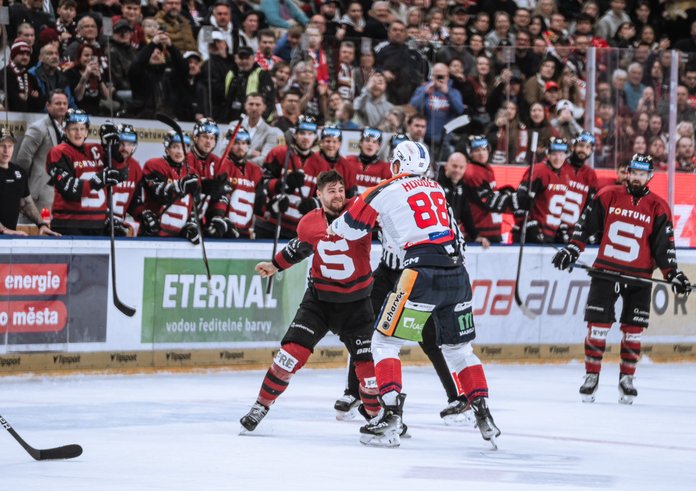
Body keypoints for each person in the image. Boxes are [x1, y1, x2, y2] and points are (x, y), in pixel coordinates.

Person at [329, 141, 500, 448]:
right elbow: (457, 236)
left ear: (396, 164)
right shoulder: (437, 188)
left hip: (420, 272)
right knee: (460, 350)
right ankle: (483, 413)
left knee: (383, 341)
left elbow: (348, 228)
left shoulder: (385, 189)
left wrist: (331, 222)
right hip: (458, 272)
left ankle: (391, 415)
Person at [240, 170, 379, 432]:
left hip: (357, 304)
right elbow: (301, 247)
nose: (337, 195)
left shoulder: (360, 210)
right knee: (287, 358)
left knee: (369, 376)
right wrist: (275, 265)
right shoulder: (308, 222)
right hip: (319, 302)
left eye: (340, 190)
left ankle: (377, 418)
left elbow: (384, 201)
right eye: (331, 191)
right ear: (319, 195)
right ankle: (260, 406)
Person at [553, 154, 691, 404]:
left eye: (642, 173)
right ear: (627, 172)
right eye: (633, 172)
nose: (637, 177)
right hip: (606, 271)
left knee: (634, 330)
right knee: (598, 326)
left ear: (650, 176)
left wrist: (673, 274)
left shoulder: (659, 207)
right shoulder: (608, 195)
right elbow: (585, 227)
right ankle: (591, 376)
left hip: (639, 277)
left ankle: (627, 378)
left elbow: (664, 248)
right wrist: (572, 248)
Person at [46, 109, 125, 236]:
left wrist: (114, 149)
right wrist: (97, 181)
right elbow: (69, 189)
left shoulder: (96, 149)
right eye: (73, 129)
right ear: (65, 130)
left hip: (99, 225)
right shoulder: (58, 152)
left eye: (82, 129)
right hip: (68, 224)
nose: (78, 133)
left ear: (87, 131)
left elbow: (121, 174)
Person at [254, 115, 317, 240]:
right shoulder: (278, 153)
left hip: (299, 230)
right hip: (270, 224)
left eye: (310, 133)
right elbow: (262, 184)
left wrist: (314, 203)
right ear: (295, 134)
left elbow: (323, 196)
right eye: (302, 133)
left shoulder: (320, 163)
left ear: (315, 137)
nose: (306, 137)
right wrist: (282, 184)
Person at [15, 89, 69, 220]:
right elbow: (23, 160)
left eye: (64, 103)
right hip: (40, 189)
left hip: (62, 191)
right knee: (35, 231)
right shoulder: (38, 128)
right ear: (48, 105)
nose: (62, 106)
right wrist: (26, 189)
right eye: (57, 103)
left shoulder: (69, 128)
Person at [142, 131, 202, 243]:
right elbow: (159, 194)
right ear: (167, 148)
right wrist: (179, 186)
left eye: (183, 147)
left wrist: (191, 224)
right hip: (154, 234)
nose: (179, 152)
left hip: (179, 238)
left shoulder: (192, 172)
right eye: (175, 147)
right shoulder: (154, 165)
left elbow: (195, 204)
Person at [461, 135, 523, 243]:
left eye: (484, 149)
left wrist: (503, 192)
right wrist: (513, 201)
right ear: (470, 152)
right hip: (481, 231)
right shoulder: (472, 172)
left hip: (492, 228)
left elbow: (490, 194)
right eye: (477, 150)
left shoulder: (487, 168)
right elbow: (486, 201)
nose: (481, 153)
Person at [101, 123, 158, 236]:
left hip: (118, 227)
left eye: (129, 144)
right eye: (121, 143)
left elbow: (135, 204)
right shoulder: (102, 161)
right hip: (99, 224)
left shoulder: (135, 167)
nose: (125, 148)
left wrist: (144, 214)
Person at [0, 128, 59, 237]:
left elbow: (26, 203)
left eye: (10, 145)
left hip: (9, 239)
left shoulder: (18, 172)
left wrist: (41, 224)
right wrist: (4, 230)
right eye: (2, 145)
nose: (6, 150)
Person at [514, 136, 568, 244]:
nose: (558, 158)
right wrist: (528, 224)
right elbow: (520, 199)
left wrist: (561, 227)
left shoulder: (564, 175)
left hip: (550, 236)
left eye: (561, 154)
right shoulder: (538, 171)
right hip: (534, 233)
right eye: (554, 154)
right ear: (547, 154)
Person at [215, 127, 262, 239]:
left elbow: (261, 203)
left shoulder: (255, 170)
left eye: (244, 143)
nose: (240, 147)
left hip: (245, 233)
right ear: (228, 144)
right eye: (236, 143)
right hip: (223, 230)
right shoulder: (221, 165)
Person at [300, 126, 357, 211]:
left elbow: (350, 197)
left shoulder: (348, 167)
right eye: (327, 141)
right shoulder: (310, 160)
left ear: (340, 144)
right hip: (307, 209)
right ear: (321, 143)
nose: (331, 145)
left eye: (334, 141)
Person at [561, 132, 598, 240]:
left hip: (574, 231)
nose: (583, 150)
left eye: (588, 147)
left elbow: (589, 206)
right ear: (573, 146)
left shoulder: (591, 174)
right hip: (553, 228)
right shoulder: (560, 164)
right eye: (581, 145)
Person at [345, 127, 391, 195]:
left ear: (378, 146)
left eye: (374, 142)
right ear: (360, 143)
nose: (370, 144)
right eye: (367, 140)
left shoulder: (386, 168)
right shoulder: (348, 161)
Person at [242, 93, 283, 166]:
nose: (254, 108)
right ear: (245, 105)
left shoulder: (271, 132)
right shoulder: (234, 125)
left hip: (254, 172)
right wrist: (251, 152)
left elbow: (265, 158)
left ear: (264, 107)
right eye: (251, 104)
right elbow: (224, 150)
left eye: (258, 105)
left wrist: (240, 163)